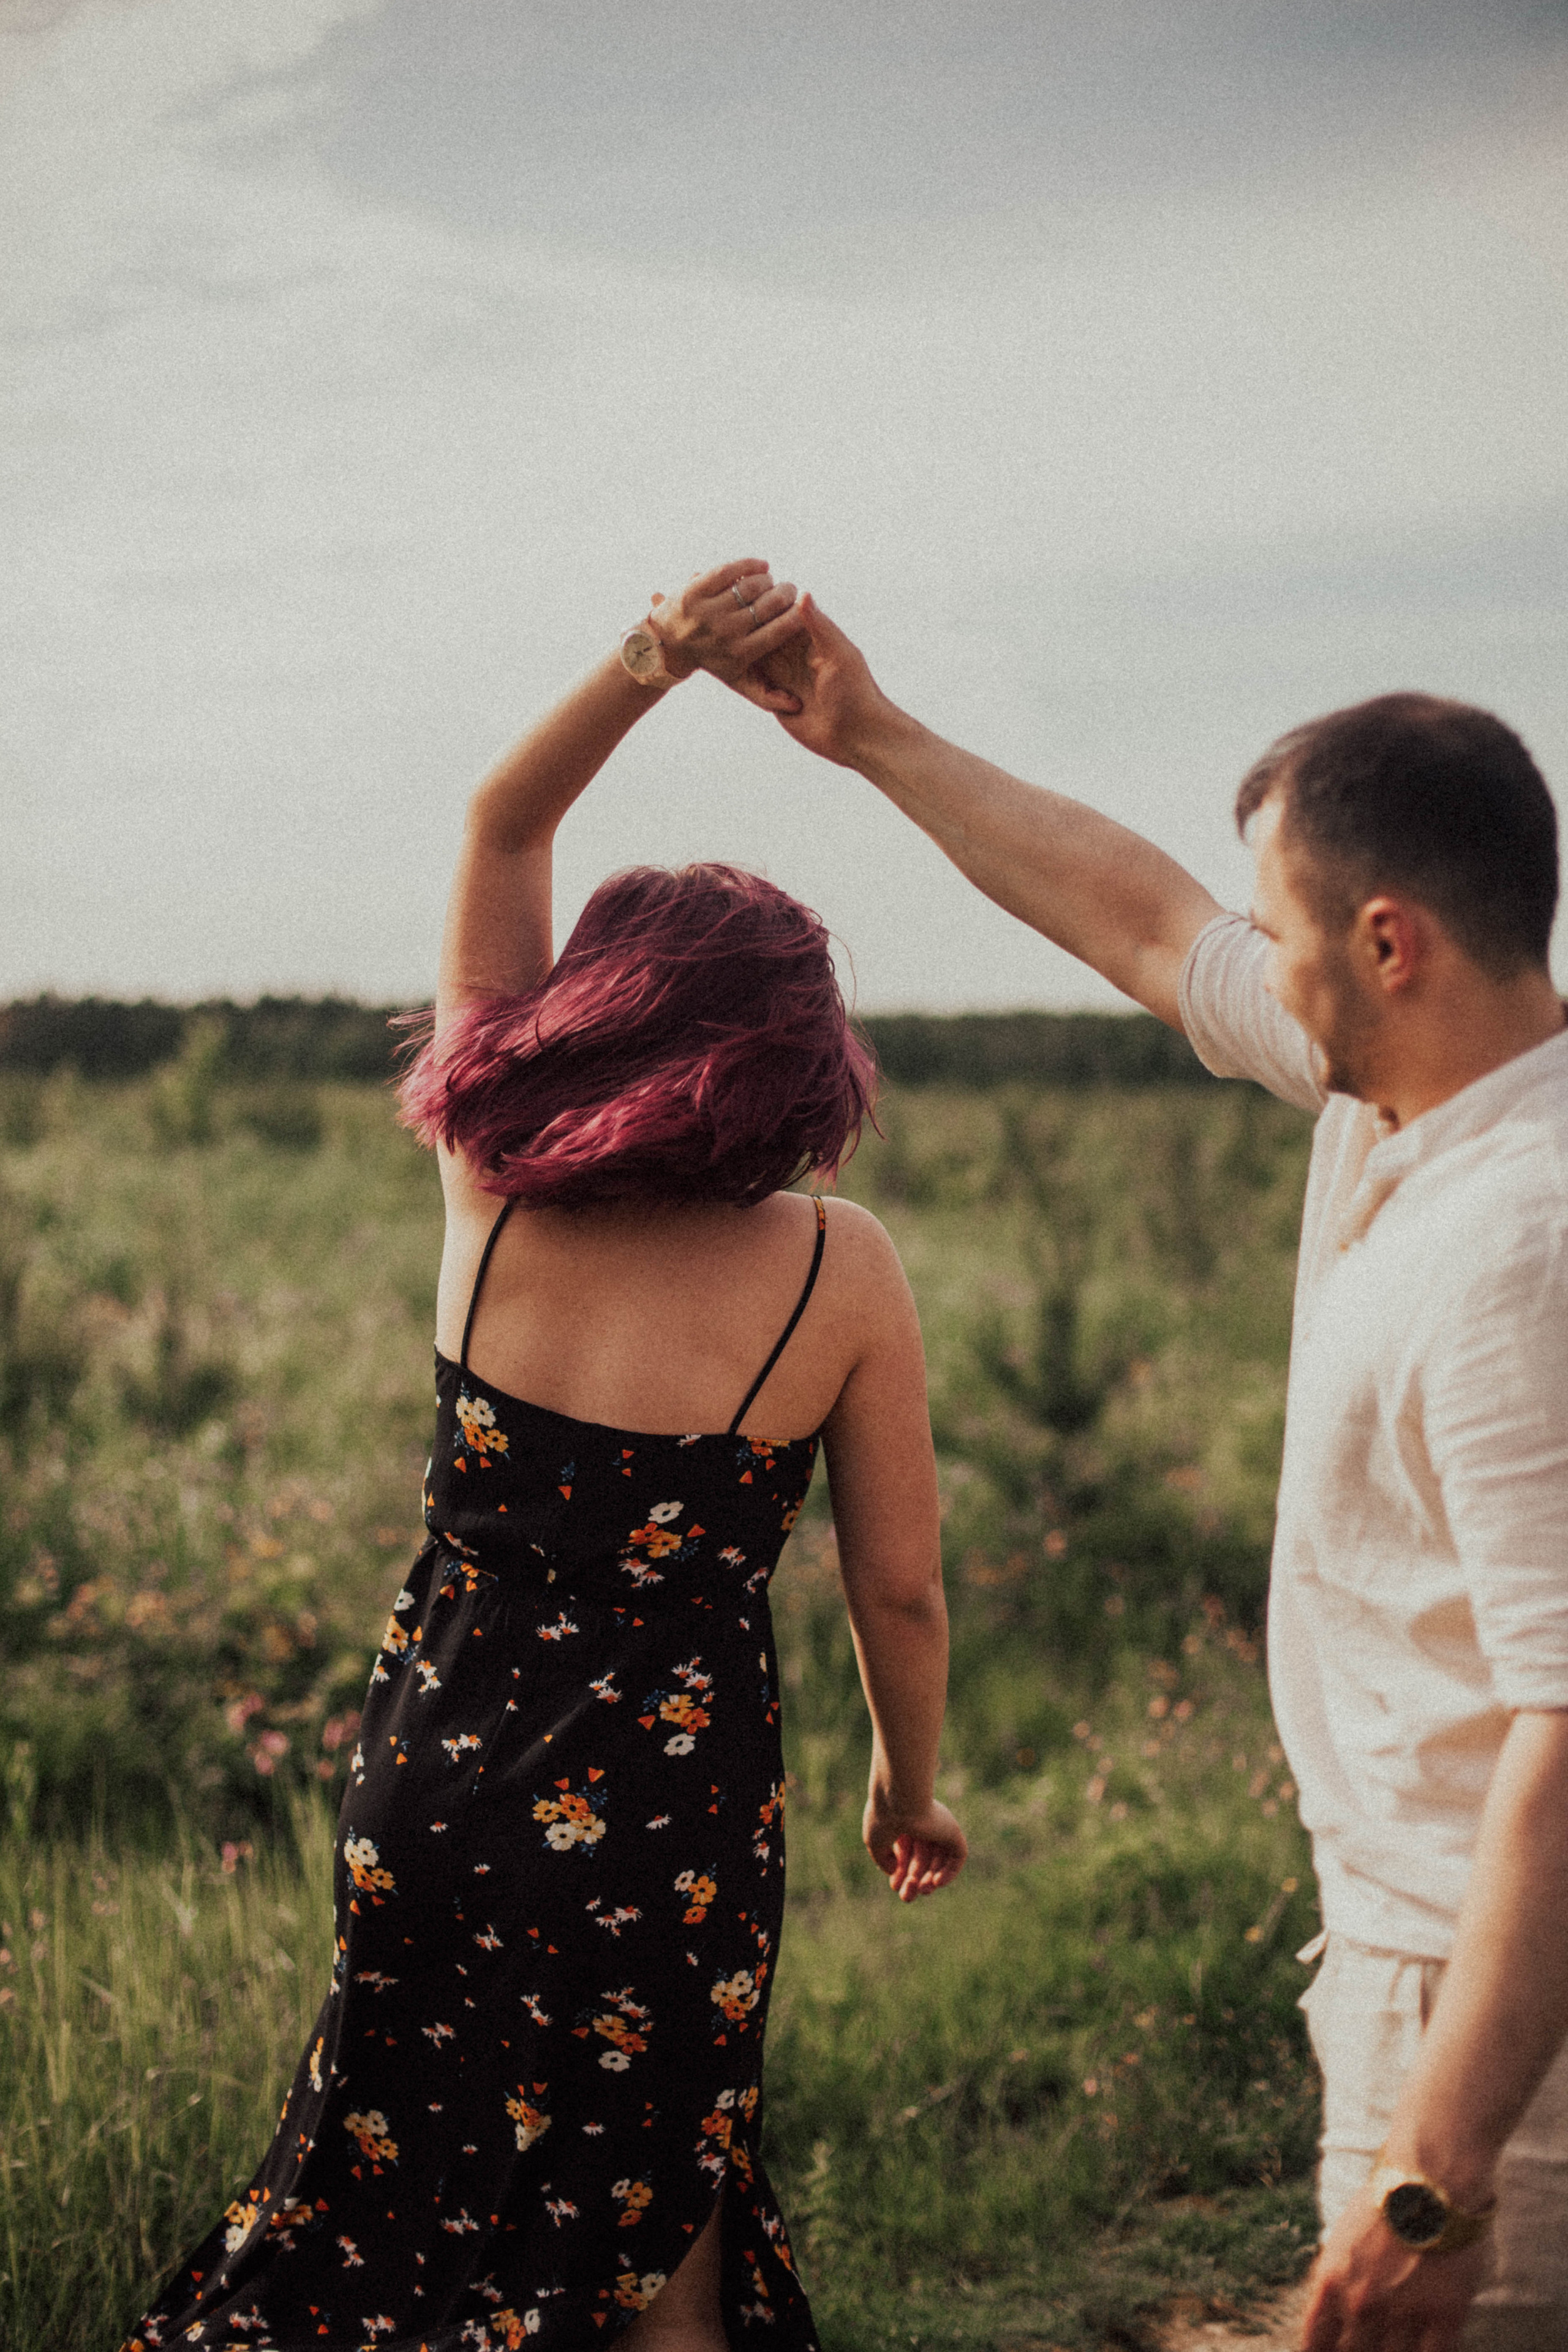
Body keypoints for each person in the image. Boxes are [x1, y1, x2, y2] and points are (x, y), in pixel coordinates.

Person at [124, 562, 965, 2352]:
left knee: (397, 2196)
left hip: (435, 1776)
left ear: (598, 1011)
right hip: (667, 1824)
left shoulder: (487, 1186)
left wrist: (657, 654)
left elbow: (507, 813)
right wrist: (911, 1783)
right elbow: (895, 1582)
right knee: (657, 2221)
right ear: (802, 1058)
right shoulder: (844, 1267)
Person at [750, 602, 1568, 2352]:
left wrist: (1435, 2173)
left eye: (1282, 931)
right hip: (1420, 1973)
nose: (1254, 962)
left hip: (1503, 2029)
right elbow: (1140, 921)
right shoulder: (1408, 1099)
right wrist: (872, 731)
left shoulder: (1528, 1244)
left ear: (1389, 940)